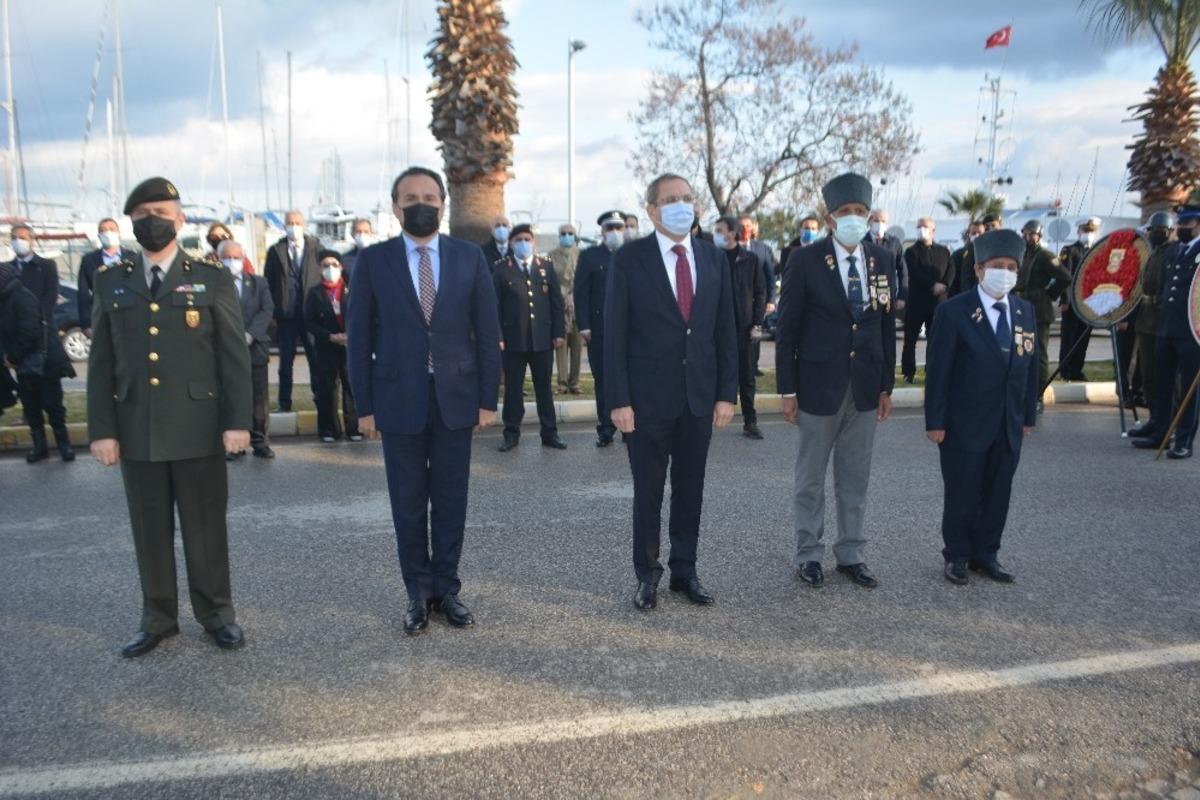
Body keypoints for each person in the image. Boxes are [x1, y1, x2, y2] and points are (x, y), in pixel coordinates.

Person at [87, 176, 252, 657]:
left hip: (199, 426)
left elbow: (232, 358)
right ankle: (157, 618)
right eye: (141, 215)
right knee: (149, 529)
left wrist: (237, 422)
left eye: (161, 212)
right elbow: (101, 364)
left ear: (180, 220)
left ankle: (217, 614)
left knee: (205, 528)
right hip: (136, 427)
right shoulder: (110, 280)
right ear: (130, 223)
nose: (151, 221)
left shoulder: (211, 274)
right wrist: (102, 430)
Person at [346, 166, 501, 636]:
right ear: (395, 206)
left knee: (452, 500)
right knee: (408, 503)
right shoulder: (373, 262)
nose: (421, 204)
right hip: (398, 401)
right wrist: (365, 408)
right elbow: (358, 339)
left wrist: (487, 399)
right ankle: (417, 592)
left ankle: (446, 589)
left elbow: (487, 329)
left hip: (456, 398)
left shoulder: (469, 257)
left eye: (430, 196)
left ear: (443, 203)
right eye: (410, 197)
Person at [605, 173, 738, 611]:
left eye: (687, 198)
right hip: (645, 402)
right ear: (651, 210)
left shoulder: (713, 259)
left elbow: (724, 331)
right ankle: (647, 575)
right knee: (648, 491)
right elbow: (615, 335)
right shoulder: (629, 260)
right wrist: (618, 400)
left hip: (698, 397)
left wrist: (725, 393)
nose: (681, 205)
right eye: (670, 200)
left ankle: (686, 570)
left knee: (690, 488)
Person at [776, 173, 897, 590]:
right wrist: (787, 390)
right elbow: (787, 330)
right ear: (830, 219)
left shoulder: (882, 259)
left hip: (864, 385)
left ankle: (851, 553)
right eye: (845, 213)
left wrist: (887, 386)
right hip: (816, 386)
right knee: (810, 478)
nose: (853, 219)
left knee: (855, 476)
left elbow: (884, 326)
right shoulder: (804, 261)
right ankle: (808, 553)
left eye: (860, 212)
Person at [925, 229, 1039, 585]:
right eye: (996, 266)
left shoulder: (1025, 311)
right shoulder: (954, 311)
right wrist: (936, 420)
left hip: (1009, 420)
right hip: (964, 422)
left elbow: (1031, 366)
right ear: (978, 270)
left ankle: (986, 553)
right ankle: (957, 554)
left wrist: (1027, 415)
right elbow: (939, 371)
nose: (1003, 272)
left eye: (1010, 267)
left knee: (998, 490)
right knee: (963, 489)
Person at [1131, 205, 1200, 459]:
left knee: (1189, 390)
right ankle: (1160, 431)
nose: (1181, 228)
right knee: (1162, 383)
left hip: (1192, 330)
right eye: (1179, 224)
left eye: (1186, 224)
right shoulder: (1175, 251)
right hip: (1166, 327)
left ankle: (1183, 441)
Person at [494, 223, 567, 451]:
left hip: (543, 339)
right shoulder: (501, 269)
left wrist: (558, 333)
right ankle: (511, 433)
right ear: (512, 243)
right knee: (513, 389)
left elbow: (556, 303)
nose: (523, 243)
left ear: (533, 242)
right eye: (518, 240)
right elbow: (494, 306)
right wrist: (498, 335)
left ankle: (550, 433)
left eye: (527, 239)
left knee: (544, 387)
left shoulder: (545, 267)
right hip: (513, 340)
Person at [8, 223, 76, 462]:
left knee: (53, 400)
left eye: (23, 237)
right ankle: (39, 445)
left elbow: (48, 300)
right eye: (15, 237)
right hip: (20, 345)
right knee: (30, 400)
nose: (19, 241)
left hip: (45, 341)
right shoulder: (6, 271)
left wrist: (33, 322)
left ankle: (64, 443)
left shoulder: (46, 266)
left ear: (33, 240)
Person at [219, 240, 275, 459]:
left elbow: (267, 309)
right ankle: (235, 445)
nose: (232, 262)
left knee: (259, 398)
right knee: (230, 397)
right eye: (227, 257)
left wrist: (250, 334)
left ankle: (260, 441)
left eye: (236, 257)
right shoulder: (214, 284)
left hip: (255, 348)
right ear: (219, 258)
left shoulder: (259, 283)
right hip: (225, 349)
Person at [575, 211, 625, 446]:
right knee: (603, 380)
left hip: (630, 330)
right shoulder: (590, 256)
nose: (615, 232)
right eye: (610, 228)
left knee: (630, 378)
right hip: (600, 329)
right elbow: (581, 292)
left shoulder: (632, 255)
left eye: (619, 227)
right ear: (603, 232)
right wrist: (583, 325)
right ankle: (606, 428)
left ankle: (629, 427)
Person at [714, 216, 766, 438]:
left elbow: (760, 292)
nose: (716, 234)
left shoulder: (750, 259)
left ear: (733, 233)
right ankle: (709, 419)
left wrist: (757, 323)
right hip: (716, 329)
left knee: (746, 377)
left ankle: (750, 421)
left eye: (720, 230)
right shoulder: (712, 258)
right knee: (714, 374)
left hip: (744, 327)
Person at [264, 210, 322, 411]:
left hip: (310, 315)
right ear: (284, 225)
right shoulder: (275, 251)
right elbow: (268, 283)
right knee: (285, 364)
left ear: (303, 224)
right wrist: (272, 311)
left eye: (297, 222)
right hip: (286, 316)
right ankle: (284, 403)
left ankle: (320, 399)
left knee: (316, 361)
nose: (293, 226)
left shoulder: (316, 248)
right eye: (290, 222)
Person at [306, 250, 360, 444]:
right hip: (326, 346)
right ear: (320, 269)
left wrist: (349, 336)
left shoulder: (352, 290)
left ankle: (354, 428)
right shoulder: (314, 293)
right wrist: (329, 336)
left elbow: (361, 316)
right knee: (327, 389)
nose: (330, 269)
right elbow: (309, 322)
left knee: (351, 388)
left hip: (349, 346)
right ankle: (328, 429)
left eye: (334, 265)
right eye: (326, 265)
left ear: (341, 267)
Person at [1128, 211, 1175, 437]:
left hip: (1163, 322)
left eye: (1160, 231)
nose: (1155, 234)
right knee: (1147, 375)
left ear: (1168, 232)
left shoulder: (1174, 254)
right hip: (1145, 322)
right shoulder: (1152, 254)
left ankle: (1167, 423)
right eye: (1153, 230)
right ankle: (1154, 420)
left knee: (1163, 375)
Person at [1014, 220, 1072, 397]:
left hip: (1039, 310)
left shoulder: (1045, 255)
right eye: (1025, 233)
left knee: (1038, 354)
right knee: (1022, 351)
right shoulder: (1023, 254)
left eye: (1031, 234)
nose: (1027, 237)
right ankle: (1026, 390)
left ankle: (1038, 393)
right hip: (1022, 308)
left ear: (1039, 236)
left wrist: (1050, 293)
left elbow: (1065, 277)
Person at [901, 218, 952, 383]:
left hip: (938, 303)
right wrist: (932, 284)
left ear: (933, 230)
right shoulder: (911, 252)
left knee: (935, 339)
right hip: (917, 301)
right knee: (910, 339)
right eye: (919, 227)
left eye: (925, 227)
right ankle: (909, 372)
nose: (921, 229)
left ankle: (933, 370)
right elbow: (915, 273)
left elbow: (951, 270)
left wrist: (944, 285)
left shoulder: (944, 251)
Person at [0, 263, 43, 429]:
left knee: (42, 403)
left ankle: (54, 446)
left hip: (29, 358)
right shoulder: (6, 298)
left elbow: (29, 330)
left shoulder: (20, 298)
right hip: (16, 357)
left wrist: (12, 356)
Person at [1057, 217, 1101, 381]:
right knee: (1069, 337)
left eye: (1091, 231)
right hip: (1073, 303)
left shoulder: (1097, 252)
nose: (1088, 234)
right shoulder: (1069, 251)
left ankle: (1077, 369)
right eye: (1085, 230)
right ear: (1078, 231)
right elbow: (1065, 277)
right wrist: (1065, 300)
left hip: (1089, 303)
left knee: (1083, 338)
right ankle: (1065, 371)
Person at [78, 218, 137, 337]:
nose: (108, 233)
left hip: (129, 317)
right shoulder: (89, 260)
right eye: (103, 230)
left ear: (119, 233)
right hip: (101, 319)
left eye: (111, 229)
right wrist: (86, 324)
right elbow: (83, 293)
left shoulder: (133, 257)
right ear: (99, 235)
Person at [739, 213, 776, 377]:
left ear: (753, 227)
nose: (744, 229)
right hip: (740, 300)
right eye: (741, 226)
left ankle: (753, 367)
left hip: (759, 299)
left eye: (747, 226)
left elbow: (770, 275)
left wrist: (771, 299)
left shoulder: (762, 248)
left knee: (756, 331)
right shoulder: (731, 247)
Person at [549, 223, 583, 394]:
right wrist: (563, 296)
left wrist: (574, 296)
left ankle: (575, 382)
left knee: (577, 346)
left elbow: (584, 280)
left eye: (570, 233)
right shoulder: (551, 256)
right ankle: (562, 383)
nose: (567, 236)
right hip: (559, 306)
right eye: (563, 233)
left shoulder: (582, 255)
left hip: (578, 307)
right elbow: (551, 281)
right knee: (561, 346)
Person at [867, 208, 908, 310]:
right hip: (867, 298)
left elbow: (903, 270)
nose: (880, 224)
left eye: (883, 221)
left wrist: (902, 296)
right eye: (876, 220)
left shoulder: (894, 243)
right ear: (869, 221)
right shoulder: (861, 242)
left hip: (889, 296)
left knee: (888, 325)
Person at [958, 214, 1003, 295]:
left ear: (1000, 226)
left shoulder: (1006, 245)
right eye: (987, 226)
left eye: (993, 225)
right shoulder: (974, 247)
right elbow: (966, 275)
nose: (990, 228)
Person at [948, 220, 985, 297]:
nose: (977, 235)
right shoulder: (958, 255)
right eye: (974, 233)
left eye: (980, 233)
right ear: (969, 234)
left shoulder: (989, 256)